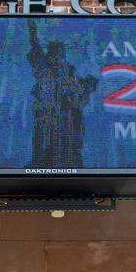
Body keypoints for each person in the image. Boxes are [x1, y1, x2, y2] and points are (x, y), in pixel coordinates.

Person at [27, 21, 98, 168]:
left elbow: (80, 96)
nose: (57, 58)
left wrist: (88, 86)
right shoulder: (44, 69)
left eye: (60, 55)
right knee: (45, 146)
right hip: (48, 119)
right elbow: (36, 51)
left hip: (68, 121)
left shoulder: (70, 73)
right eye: (54, 54)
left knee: (67, 147)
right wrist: (33, 31)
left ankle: (68, 164)